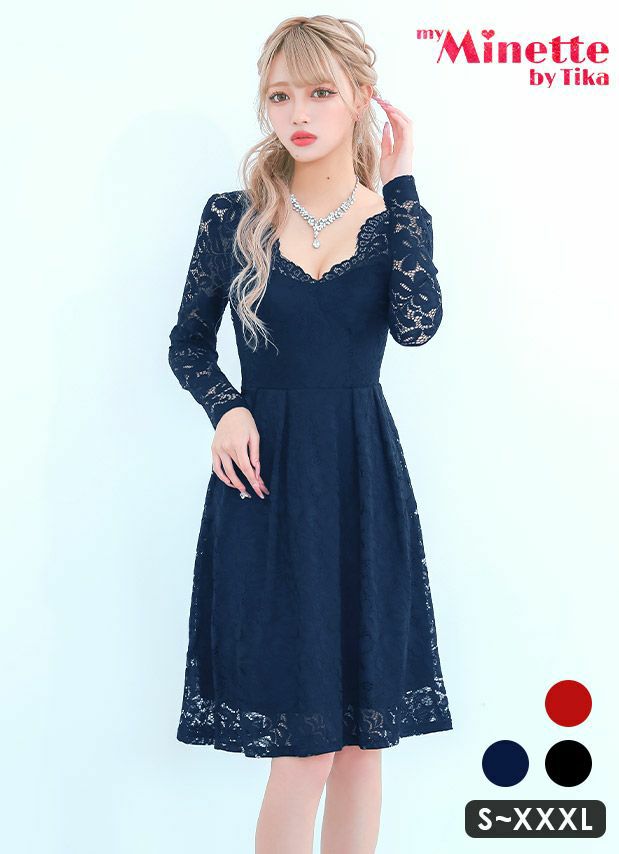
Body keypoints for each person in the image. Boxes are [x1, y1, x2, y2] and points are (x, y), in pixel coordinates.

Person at [168, 14, 453, 854]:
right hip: (266, 488)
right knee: (304, 749)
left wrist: (402, 185)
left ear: (361, 98)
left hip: (362, 484)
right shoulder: (233, 217)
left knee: (362, 744)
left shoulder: (392, 219)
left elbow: (418, 327)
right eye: (281, 95)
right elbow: (188, 343)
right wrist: (227, 407)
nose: (299, 112)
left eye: (321, 92)